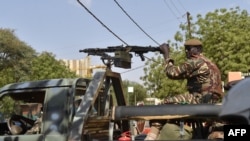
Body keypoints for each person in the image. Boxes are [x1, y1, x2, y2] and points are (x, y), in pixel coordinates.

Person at [145, 39, 224, 140]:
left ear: (194, 50)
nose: (186, 52)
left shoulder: (196, 62)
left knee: (163, 106)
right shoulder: (211, 64)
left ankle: (151, 136)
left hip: (199, 100)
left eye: (188, 49)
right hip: (211, 102)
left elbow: (172, 73)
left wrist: (166, 55)